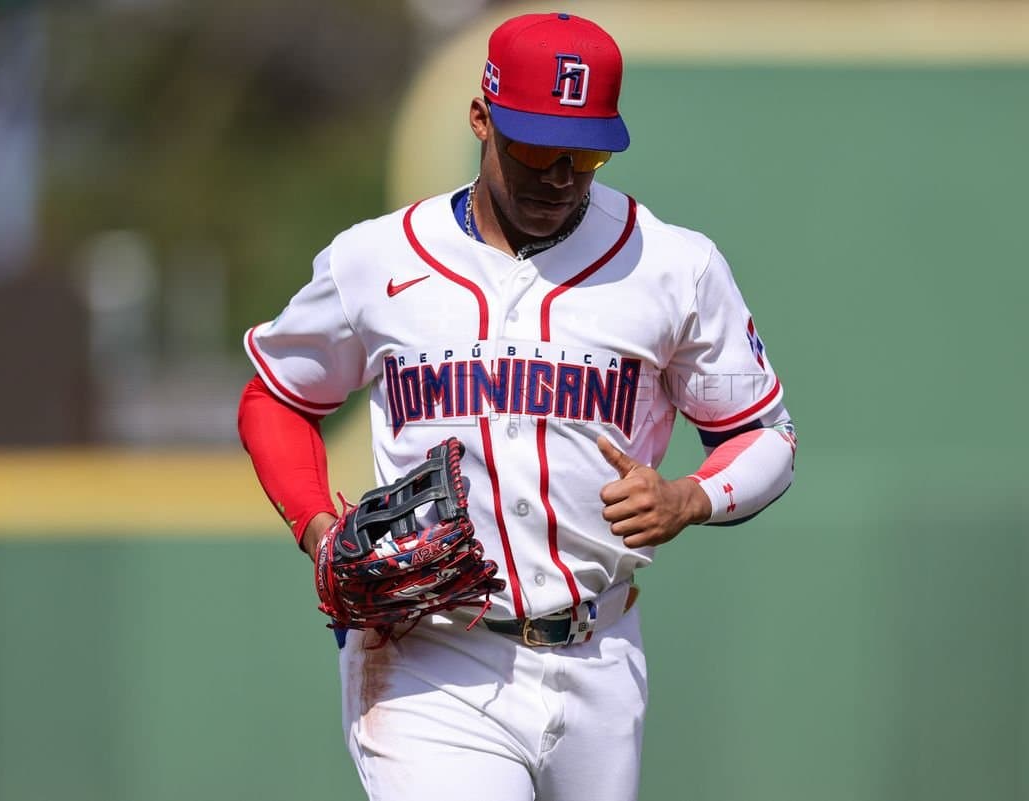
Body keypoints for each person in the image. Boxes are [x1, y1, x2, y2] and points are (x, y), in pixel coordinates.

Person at [237, 11, 797, 801]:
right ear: (481, 117)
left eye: (587, 152)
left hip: (600, 650)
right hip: (430, 657)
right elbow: (276, 395)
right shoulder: (378, 258)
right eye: (536, 146)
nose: (561, 174)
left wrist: (689, 496)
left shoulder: (674, 265)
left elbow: (765, 435)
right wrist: (318, 529)